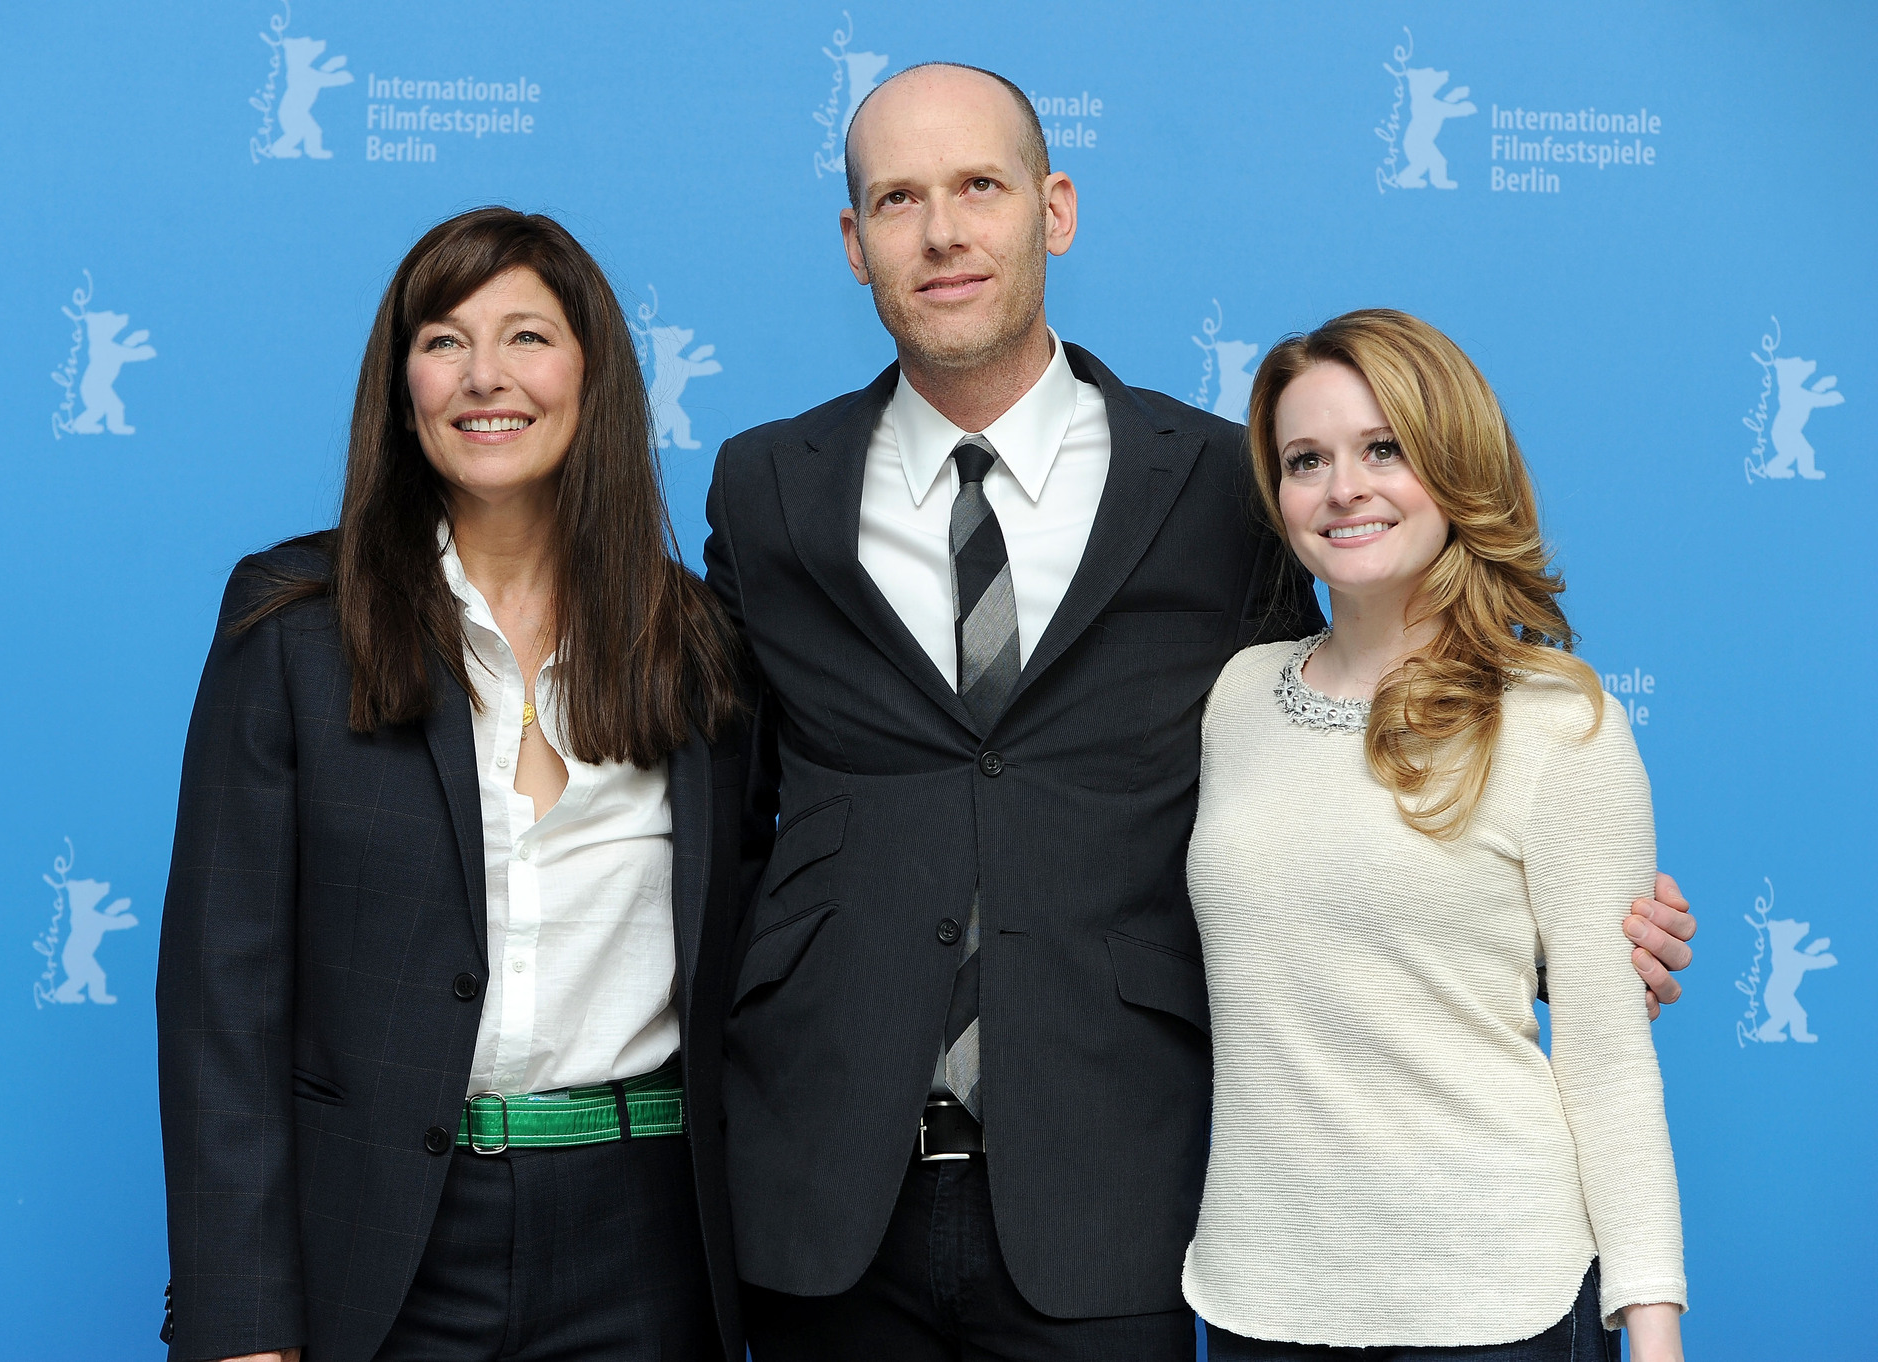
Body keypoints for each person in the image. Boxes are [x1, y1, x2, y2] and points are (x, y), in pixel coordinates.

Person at [703, 64, 1699, 1362]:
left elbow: (1377, 750)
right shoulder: (767, 484)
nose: (942, 231)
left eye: (980, 187)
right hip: (826, 1195)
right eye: (899, 198)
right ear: (854, 242)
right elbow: (716, 802)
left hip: (1116, 1203)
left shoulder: (1217, 491)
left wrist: (1567, 926)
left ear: (1053, 207)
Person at [156, 207, 772, 1362]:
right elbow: (217, 1004)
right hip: (378, 1238)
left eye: (527, 336)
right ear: (401, 390)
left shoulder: (699, 645)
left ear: (595, 375)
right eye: (442, 340)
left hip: (645, 1241)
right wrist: (238, 1318)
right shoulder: (292, 627)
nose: (484, 376)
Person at [1186, 310, 1685, 1362]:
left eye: (1383, 450)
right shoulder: (1232, 700)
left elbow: (1605, 1057)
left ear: (1452, 463)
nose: (1342, 489)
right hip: (1255, 1299)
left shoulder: (1558, 724)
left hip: (1488, 1301)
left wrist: (1652, 1331)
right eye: (1304, 460)